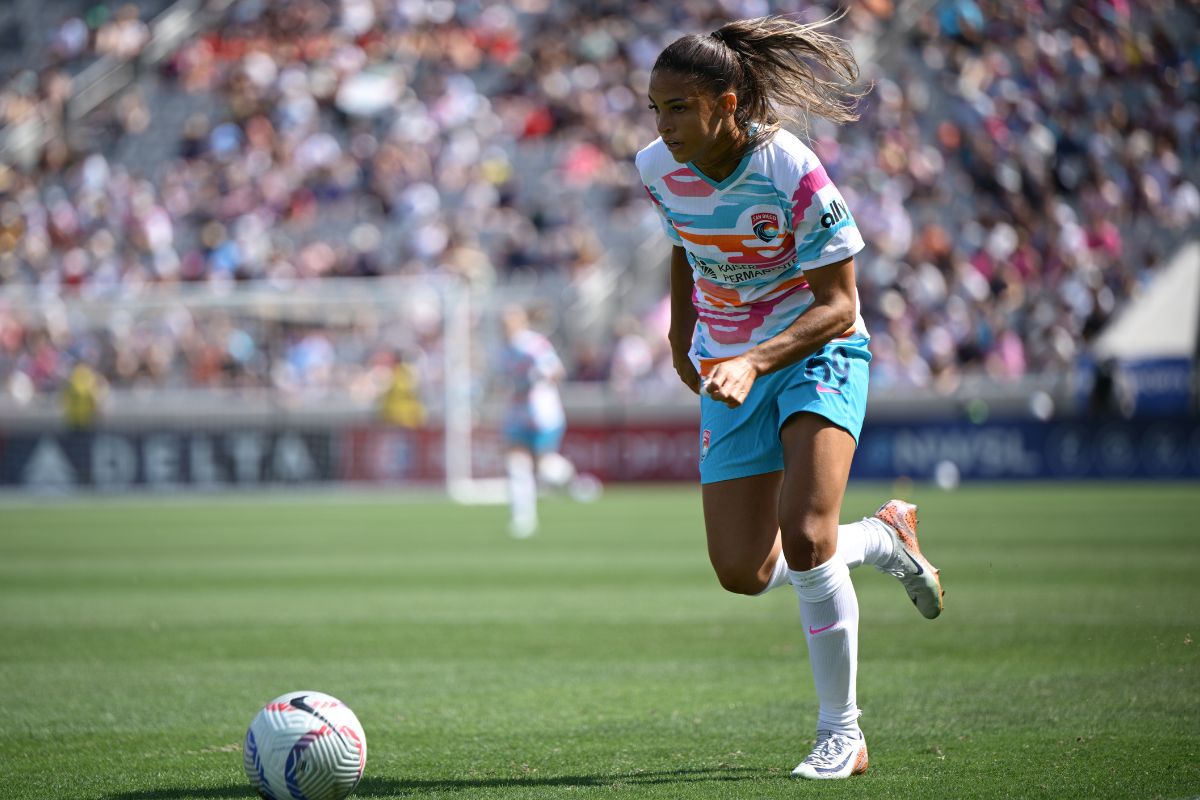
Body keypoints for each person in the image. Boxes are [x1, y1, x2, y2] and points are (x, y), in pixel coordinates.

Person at [636, 15, 944, 780]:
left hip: (817, 350)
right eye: (655, 109)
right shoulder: (654, 166)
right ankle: (881, 538)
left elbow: (840, 304)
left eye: (679, 107)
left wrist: (755, 357)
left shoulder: (790, 167)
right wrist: (683, 339)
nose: (664, 124)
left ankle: (843, 734)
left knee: (806, 538)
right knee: (741, 570)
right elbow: (684, 241)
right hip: (729, 363)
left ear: (728, 102)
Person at [496, 304, 599, 538]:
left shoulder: (533, 345)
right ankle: (523, 518)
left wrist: (537, 377)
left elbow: (556, 371)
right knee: (517, 463)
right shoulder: (501, 350)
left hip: (541, 413)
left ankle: (576, 484)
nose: (505, 327)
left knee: (545, 467)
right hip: (516, 413)